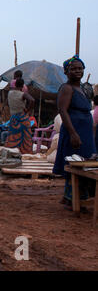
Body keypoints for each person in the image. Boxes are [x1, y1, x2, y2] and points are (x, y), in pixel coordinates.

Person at [53, 55, 96, 210]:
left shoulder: (83, 89)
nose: (77, 71)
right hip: (74, 130)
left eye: (80, 68)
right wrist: (72, 133)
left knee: (85, 163)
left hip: (85, 131)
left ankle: (74, 197)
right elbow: (63, 111)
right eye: (73, 69)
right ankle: (74, 199)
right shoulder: (67, 88)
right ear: (66, 71)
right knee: (76, 164)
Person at [5, 78, 35, 154]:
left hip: (13, 119)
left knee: (13, 136)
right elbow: (32, 100)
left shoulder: (10, 93)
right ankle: (25, 154)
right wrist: (28, 110)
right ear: (22, 86)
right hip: (23, 118)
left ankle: (12, 153)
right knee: (25, 137)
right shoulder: (22, 94)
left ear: (15, 84)